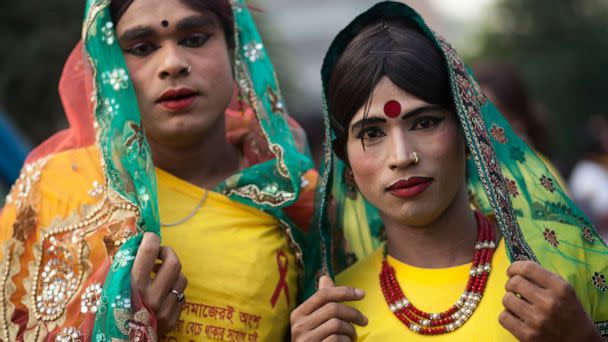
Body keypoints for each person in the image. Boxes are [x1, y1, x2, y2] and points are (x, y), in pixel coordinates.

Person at [0, 0, 322, 340]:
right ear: (108, 65)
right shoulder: (54, 190)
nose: (172, 64)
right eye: (142, 48)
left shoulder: (299, 201)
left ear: (234, 47)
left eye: (195, 39)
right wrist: (131, 329)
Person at [290, 2, 608, 341]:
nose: (402, 156)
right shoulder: (336, 317)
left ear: (469, 133)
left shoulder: (558, 275)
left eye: (424, 122)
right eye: (372, 133)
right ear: (346, 164)